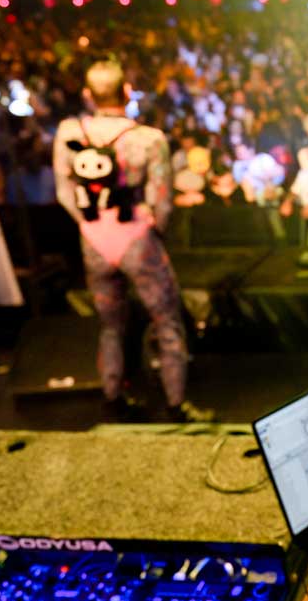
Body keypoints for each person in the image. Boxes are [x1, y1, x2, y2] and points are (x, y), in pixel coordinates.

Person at [52, 59, 207, 422]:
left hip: (94, 241)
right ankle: (176, 405)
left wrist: (90, 225)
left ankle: (113, 400)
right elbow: (162, 199)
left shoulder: (67, 132)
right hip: (138, 239)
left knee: (109, 325)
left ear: (88, 95)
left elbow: (64, 192)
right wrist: (152, 229)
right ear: (126, 92)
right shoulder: (148, 138)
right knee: (167, 321)